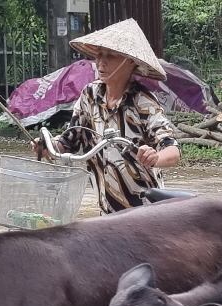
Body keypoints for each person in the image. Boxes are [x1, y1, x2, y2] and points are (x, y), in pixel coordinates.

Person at [33, 19, 181, 214]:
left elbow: (172, 151)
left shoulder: (142, 102)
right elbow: (69, 141)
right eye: (99, 54)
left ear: (129, 62)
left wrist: (154, 157)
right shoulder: (90, 95)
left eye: (111, 56)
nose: (101, 62)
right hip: (107, 210)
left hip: (144, 211)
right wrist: (47, 146)